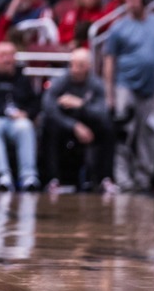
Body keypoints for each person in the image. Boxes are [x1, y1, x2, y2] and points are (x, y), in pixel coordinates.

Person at [97, 0, 154, 192]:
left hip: (152, 87)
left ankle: (144, 176)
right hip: (125, 86)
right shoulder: (118, 27)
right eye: (126, 0)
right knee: (124, 133)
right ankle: (123, 178)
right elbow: (109, 62)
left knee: (150, 133)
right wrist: (109, 94)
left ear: (144, 0)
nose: (129, 4)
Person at [41, 47, 113, 191]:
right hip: (65, 124)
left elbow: (102, 112)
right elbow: (48, 106)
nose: (74, 69)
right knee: (47, 124)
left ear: (88, 67)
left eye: (79, 65)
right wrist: (74, 126)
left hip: (88, 124)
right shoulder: (61, 80)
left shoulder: (96, 84)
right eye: (72, 65)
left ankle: (105, 178)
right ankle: (53, 180)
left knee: (108, 127)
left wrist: (81, 104)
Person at [0, 40, 41, 191]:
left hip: (17, 122)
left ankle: (28, 176)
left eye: (10, 55)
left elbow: (35, 103)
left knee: (25, 126)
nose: (7, 60)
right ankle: (2, 175)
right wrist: (0, 111)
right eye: (2, 55)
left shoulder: (23, 79)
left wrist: (26, 113)